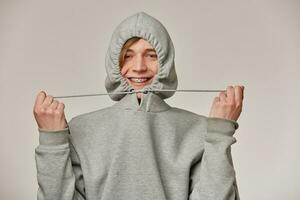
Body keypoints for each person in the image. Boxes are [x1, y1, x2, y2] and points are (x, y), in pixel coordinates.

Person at [33, 12, 244, 200]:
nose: (140, 67)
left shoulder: (199, 129)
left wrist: (220, 131)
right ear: (114, 62)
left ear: (166, 61)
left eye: (151, 55)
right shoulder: (80, 129)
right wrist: (52, 140)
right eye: (128, 56)